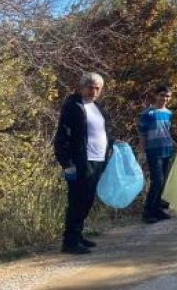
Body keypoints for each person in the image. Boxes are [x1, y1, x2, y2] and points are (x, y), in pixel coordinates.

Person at [52, 72, 113, 254]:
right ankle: (70, 242)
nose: (94, 91)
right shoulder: (73, 106)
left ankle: (78, 235)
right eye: (90, 87)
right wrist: (67, 163)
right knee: (77, 200)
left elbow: (103, 131)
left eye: (97, 88)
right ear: (81, 87)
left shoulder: (97, 107)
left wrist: (113, 144)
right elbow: (62, 136)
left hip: (98, 160)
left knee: (88, 199)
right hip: (81, 162)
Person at [138, 85, 177, 224]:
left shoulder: (168, 113)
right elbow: (142, 135)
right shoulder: (148, 113)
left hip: (166, 150)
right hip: (153, 151)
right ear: (156, 95)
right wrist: (142, 152)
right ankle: (147, 212)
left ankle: (157, 209)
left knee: (162, 181)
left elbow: (167, 134)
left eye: (167, 96)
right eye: (162, 95)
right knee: (157, 181)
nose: (164, 98)